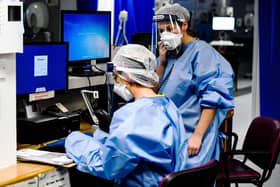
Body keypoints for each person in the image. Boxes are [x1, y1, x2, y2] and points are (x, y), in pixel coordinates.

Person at [65, 44, 189, 187]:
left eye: (116, 76)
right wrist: (103, 137)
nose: (117, 81)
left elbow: (107, 167)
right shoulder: (169, 107)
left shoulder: (133, 115)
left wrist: (73, 140)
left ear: (126, 77)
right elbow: (134, 146)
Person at [152, 3, 235, 168]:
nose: (165, 35)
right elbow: (153, 92)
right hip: (169, 132)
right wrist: (161, 63)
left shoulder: (202, 52)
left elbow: (213, 97)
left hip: (192, 133)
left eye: (169, 28)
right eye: (161, 31)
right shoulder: (169, 55)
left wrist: (197, 136)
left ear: (184, 25)